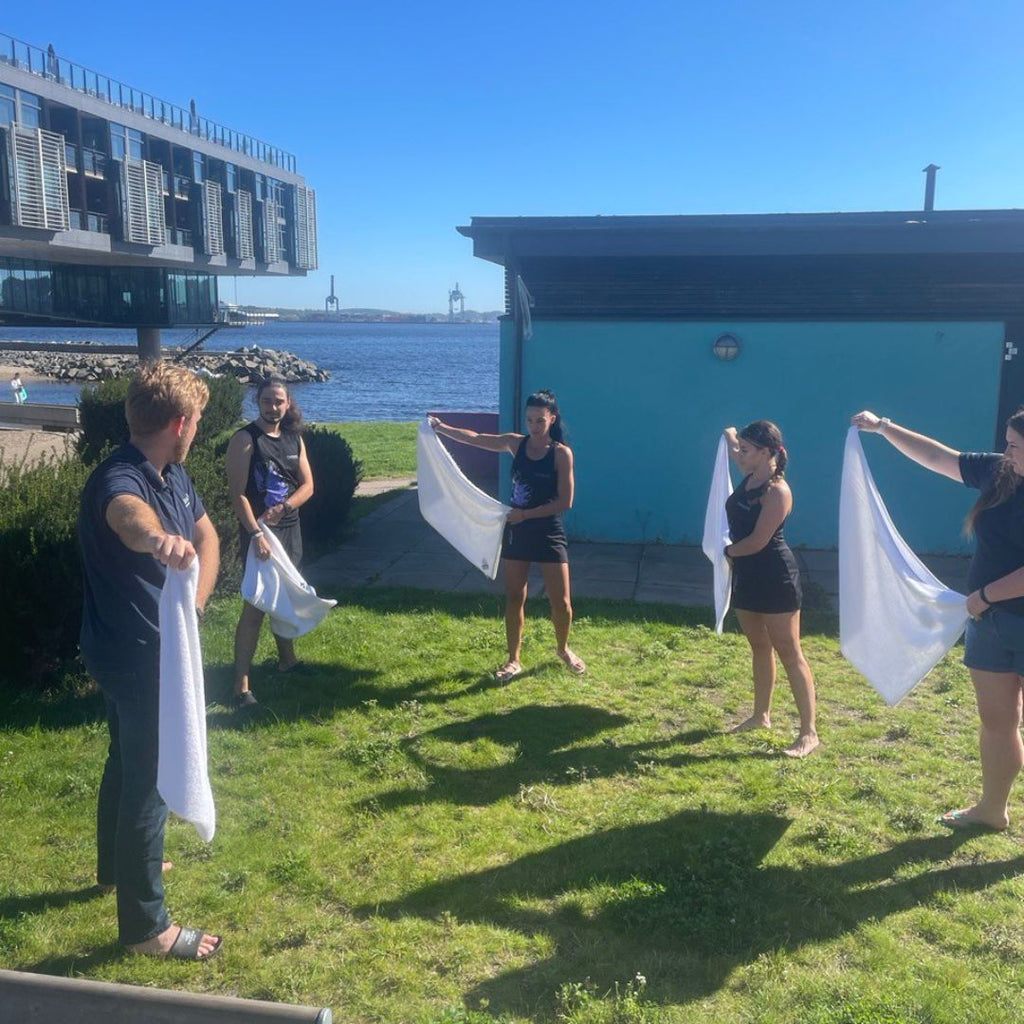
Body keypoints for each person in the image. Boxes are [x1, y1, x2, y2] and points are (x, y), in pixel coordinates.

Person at [77, 361, 221, 959]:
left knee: (125, 757)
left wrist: (195, 606)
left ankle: (116, 868)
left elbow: (209, 538)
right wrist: (156, 538)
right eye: (198, 424)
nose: (196, 434)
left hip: (144, 647)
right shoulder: (121, 477)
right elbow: (125, 516)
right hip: (132, 654)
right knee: (149, 783)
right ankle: (146, 928)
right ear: (181, 423)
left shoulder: (174, 474)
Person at [852, 408, 1024, 830]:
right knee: (997, 723)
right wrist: (885, 429)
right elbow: (938, 458)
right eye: (1007, 441)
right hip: (991, 625)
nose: (1007, 450)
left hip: (991, 609)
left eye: (1015, 444)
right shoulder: (1002, 473)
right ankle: (992, 809)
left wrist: (984, 595)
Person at [430, 389, 585, 681]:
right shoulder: (516, 444)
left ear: (552, 418)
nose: (534, 426)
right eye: (530, 420)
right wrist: (442, 428)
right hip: (518, 532)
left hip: (548, 531)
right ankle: (514, 659)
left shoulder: (561, 454)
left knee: (561, 602)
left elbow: (565, 502)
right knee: (514, 597)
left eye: (540, 420)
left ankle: (563, 649)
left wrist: (525, 514)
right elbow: (475, 438)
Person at [722, 421, 819, 758]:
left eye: (746, 451)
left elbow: (758, 541)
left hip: (775, 577)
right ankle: (760, 716)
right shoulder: (752, 473)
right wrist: (731, 434)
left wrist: (725, 552)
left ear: (765, 453)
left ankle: (809, 732)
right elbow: (736, 444)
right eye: (741, 450)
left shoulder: (777, 491)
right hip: (747, 576)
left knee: (790, 652)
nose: (739, 456)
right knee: (759, 647)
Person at [226, 375, 314, 710]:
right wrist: (257, 534)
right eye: (267, 401)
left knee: (286, 597)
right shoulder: (246, 439)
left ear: (288, 403)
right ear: (257, 402)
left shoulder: (294, 438)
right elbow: (238, 495)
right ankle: (240, 686)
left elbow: (308, 485)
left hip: (290, 531)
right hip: (260, 534)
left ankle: (287, 661)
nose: (273, 407)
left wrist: (288, 506)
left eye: (279, 401)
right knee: (256, 606)